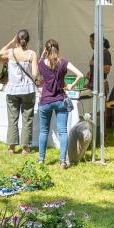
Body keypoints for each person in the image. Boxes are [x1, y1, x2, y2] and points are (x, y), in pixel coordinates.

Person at [37, 39, 84, 168]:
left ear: (46, 50)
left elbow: (36, 73)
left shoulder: (41, 63)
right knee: (63, 132)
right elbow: (80, 75)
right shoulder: (64, 63)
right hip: (60, 100)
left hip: (45, 100)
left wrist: (43, 54)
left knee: (43, 131)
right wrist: (71, 86)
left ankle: (41, 159)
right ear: (58, 49)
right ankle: (63, 161)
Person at [0, 29, 39, 155]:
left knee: (12, 118)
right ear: (28, 40)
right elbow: (34, 74)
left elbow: (0, 53)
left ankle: (11, 147)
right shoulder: (32, 54)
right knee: (27, 118)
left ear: (17, 39)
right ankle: (26, 147)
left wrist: (11, 42)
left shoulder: (11, 53)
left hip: (13, 89)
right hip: (27, 89)